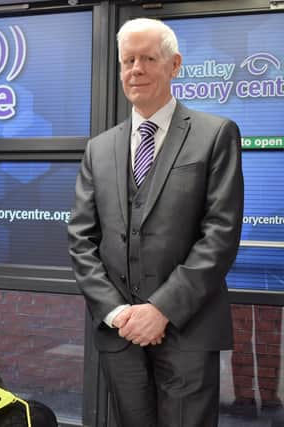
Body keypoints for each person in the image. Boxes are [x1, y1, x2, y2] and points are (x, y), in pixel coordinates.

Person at [68, 18, 244, 427]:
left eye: (148, 58)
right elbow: (81, 239)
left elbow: (220, 234)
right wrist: (115, 313)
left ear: (175, 64)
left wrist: (160, 310)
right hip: (120, 336)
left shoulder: (215, 134)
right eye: (128, 60)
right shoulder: (100, 148)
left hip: (188, 332)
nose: (136, 69)